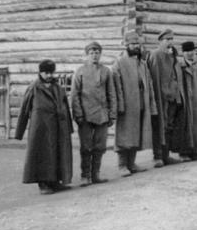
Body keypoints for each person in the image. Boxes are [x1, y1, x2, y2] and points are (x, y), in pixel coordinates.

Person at [16, 60, 74, 195]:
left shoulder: (58, 89)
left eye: (51, 72)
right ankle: (43, 184)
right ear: (40, 72)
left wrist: (69, 127)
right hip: (41, 128)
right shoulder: (34, 88)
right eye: (46, 72)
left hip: (58, 127)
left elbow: (65, 107)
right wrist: (19, 132)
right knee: (42, 155)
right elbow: (24, 110)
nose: (49, 75)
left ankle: (55, 182)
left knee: (57, 154)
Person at [70, 41, 116, 185]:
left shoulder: (106, 71)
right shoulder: (80, 71)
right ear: (87, 55)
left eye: (97, 53)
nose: (94, 55)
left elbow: (111, 94)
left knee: (100, 147)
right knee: (86, 147)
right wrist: (78, 114)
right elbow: (75, 94)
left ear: (100, 54)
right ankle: (85, 175)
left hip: (102, 115)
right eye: (91, 53)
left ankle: (96, 174)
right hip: (85, 115)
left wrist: (112, 113)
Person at [113, 31, 157, 175]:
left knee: (136, 133)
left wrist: (151, 103)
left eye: (137, 44)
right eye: (133, 44)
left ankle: (132, 163)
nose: (135, 46)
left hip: (141, 103)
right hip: (127, 105)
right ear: (127, 45)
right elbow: (117, 85)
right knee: (125, 135)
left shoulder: (142, 63)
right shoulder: (119, 62)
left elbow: (149, 84)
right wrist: (120, 105)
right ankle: (122, 165)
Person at [147, 29, 185, 167]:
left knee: (169, 126)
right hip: (160, 98)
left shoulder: (172, 56)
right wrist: (158, 97)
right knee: (159, 126)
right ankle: (157, 156)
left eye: (171, 39)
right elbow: (155, 78)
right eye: (167, 39)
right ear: (160, 41)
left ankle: (166, 155)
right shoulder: (156, 55)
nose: (170, 42)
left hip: (173, 97)